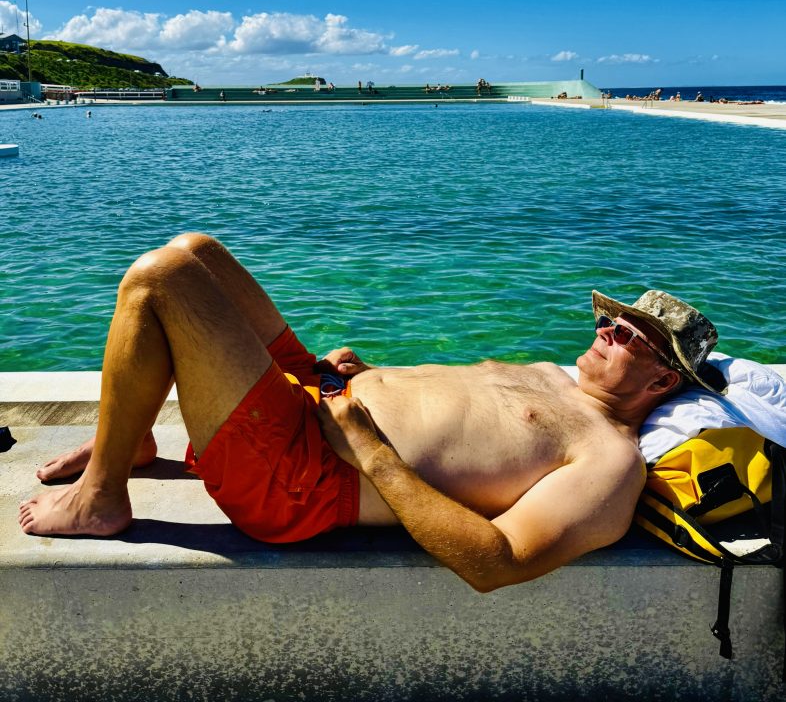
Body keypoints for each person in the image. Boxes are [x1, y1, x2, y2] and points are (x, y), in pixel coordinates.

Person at [19, 235, 720, 591]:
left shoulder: (609, 461)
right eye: (611, 321)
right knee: (195, 252)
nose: (608, 331)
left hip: (305, 475)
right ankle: (129, 441)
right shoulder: (548, 375)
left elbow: (499, 562)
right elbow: (457, 418)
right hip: (322, 399)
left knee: (159, 280)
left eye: (630, 336)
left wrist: (372, 453)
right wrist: (370, 378)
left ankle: (102, 496)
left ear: (665, 378)